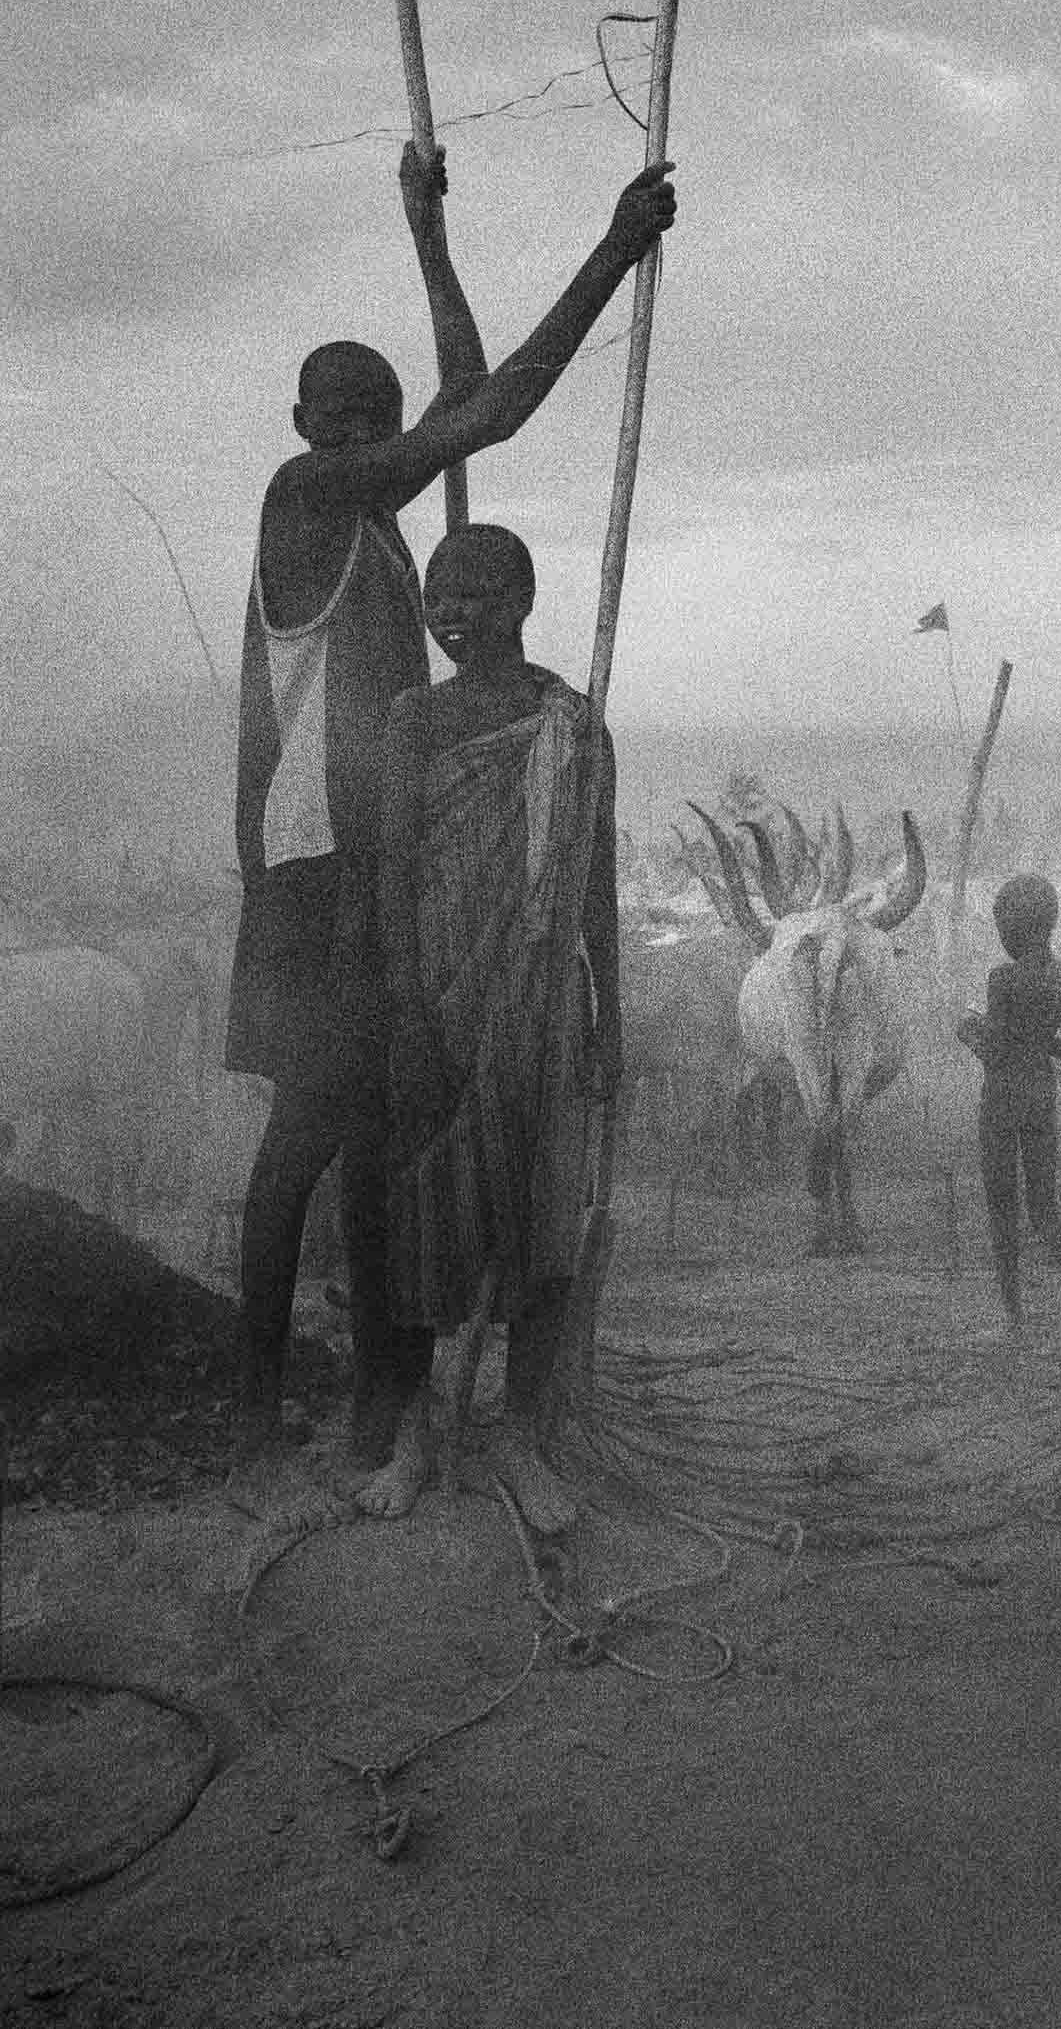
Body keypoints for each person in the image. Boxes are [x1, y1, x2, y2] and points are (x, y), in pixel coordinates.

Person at [223, 142, 674, 1531]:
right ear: (303, 419)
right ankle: (291, 1409)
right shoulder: (309, 498)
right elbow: (496, 413)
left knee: (369, 1140)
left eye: (376, 412)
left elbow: (471, 397)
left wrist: (427, 229)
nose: (360, 425)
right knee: (314, 1140)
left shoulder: (366, 510)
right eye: (341, 409)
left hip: (361, 865)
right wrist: (612, 248)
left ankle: (373, 1396)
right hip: (315, 874)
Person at [368, 525, 620, 1529]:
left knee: (541, 1215)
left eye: (468, 591)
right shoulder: (412, 719)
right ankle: (416, 1433)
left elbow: (594, 881)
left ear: (521, 597)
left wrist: (610, 1017)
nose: (445, 609)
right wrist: (406, 1014)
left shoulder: (576, 722)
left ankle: (519, 1433)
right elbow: (392, 868)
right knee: (423, 1212)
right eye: (435, 592)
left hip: (544, 1003)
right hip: (438, 994)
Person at [958, 874, 1061, 1321]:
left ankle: (1013, 1318)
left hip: (1001, 1100)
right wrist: (1037, 1040)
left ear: (1013, 928)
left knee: (1002, 1211)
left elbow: (993, 1050)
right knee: (1045, 1211)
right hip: (1041, 1096)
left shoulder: (1002, 978)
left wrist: (968, 1032)